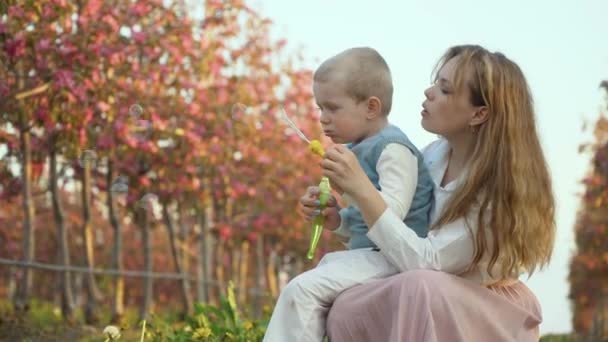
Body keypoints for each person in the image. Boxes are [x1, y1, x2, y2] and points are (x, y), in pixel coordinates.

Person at [309, 44, 556, 341]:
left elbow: (425, 262)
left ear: (479, 114)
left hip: (484, 308)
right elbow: (396, 234)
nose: (429, 92)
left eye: (446, 89)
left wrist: (363, 191)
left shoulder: (497, 191)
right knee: (351, 304)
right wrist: (341, 219)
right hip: (425, 287)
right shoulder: (431, 157)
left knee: (419, 285)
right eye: (435, 82)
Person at [263, 47, 434, 342]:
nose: (322, 119)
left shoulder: (392, 149)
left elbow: (391, 215)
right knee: (308, 284)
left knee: (302, 291)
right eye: (320, 108)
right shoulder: (357, 149)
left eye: (332, 108)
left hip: (393, 259)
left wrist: (354, 186)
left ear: (371, 107)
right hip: (369, 254)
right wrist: (335, 219)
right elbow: (363, 220)